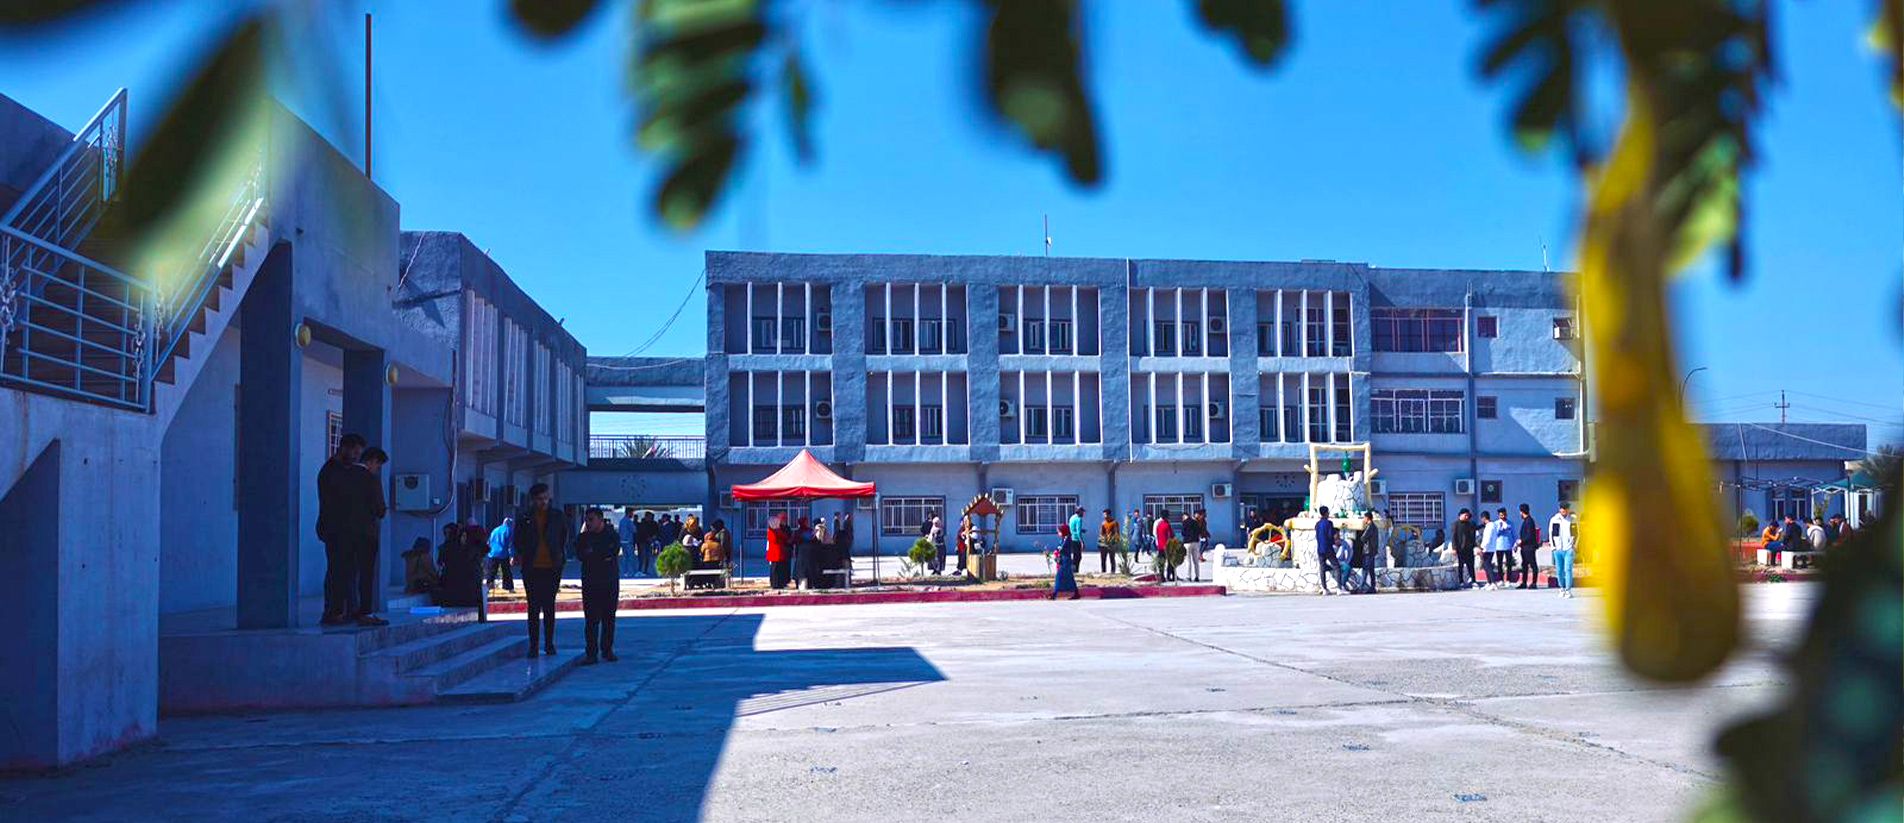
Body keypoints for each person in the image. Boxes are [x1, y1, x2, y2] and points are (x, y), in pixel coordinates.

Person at [509, 482, 570, 656]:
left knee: (549, 606)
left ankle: (549, 644)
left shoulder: (557, 516)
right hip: (532, 568)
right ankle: (533, 646)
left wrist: (559, 555)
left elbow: (563, 536)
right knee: (533, 607)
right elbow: (518, 540)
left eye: (545, 498)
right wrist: (523, 553)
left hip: (552, 567)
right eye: (539, 499)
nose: (543, 502)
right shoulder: (525, 517)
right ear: (533, 500)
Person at [315, 433, 368, 625]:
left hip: (350, 530)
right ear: (343, 448)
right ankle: (333, 611)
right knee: (337, 570)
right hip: (335, 529)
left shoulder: (348, 470)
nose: (356, 457)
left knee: (350, 571)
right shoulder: (331, 472)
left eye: (358, 454)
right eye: (354, 452)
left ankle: (350, 610)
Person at [572, 508, 620, 664]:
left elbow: (611, 552)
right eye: (586, 520)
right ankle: (591, 653)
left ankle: (607, 650)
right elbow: (581, 555)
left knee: (609, 618)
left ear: (600, 519)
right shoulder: (583, 538)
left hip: (609, 582)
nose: (588, 523)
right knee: (591, 619)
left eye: (591, 519)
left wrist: (593, 553)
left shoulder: (611, 535)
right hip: (590, 582)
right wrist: (596, 554)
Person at [351, 447, 391, 625]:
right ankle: (365, 611)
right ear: (372, 461)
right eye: (378, 465)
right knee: (366, 574)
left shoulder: (347, 476)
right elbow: (380, 509)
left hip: (345, 532)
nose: (377, 469)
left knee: (346, 572)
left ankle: (344, 609)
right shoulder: (370, 479)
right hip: (366, 532)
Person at [1549, 502, 1578, 598]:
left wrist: (1574, 546)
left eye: (1565, 509)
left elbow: (1577, 533)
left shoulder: (1572, 519)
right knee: (1559, 570)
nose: (1564, 510)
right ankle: (1561, 588)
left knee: (1568, 569)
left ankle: (1568, 590)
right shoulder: (1554, 519)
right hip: (1558, 549)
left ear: (1568, 509)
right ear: (1559, 509)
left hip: (1568, 548)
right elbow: (1551, 534)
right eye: (1562, 508)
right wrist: (1553, 547)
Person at [1048, 526, 1081, 601]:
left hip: (1065, 561)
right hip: (1063, 560)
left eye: (1059, 532)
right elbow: (1059, 547)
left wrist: (1057, 551)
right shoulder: (1063, 539)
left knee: (1059, 577)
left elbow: (1062, 549)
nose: (1058, 533)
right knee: (1070, 578)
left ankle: (1055, 593)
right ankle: (1076, 593)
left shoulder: (1067, 539)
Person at [1485, 508, 1514, 589]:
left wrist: (1514, 544)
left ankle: (1508, 580)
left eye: (1504, 515)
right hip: (1499, 546)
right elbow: (1494, 534)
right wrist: (1500, 528)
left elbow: (1514, 534)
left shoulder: (1510, 523)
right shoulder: (1496, 524)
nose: (1503, 516)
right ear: (1498, 515)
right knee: (1499, 564)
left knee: (1509, 564)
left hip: (1508, 546)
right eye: (1501, 515)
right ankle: (1501, 579)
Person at [1351, 511, 1379, 593]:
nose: (1363, 519)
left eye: (1364, 518)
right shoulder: (1374, 527)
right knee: (1371, 570)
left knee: (1365, 569)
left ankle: (1361, 587)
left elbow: (1363, 538)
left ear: (1367, 518)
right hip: (1372, 551)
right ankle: (1372, 587)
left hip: (1368, 551)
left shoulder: (1370, 527)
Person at [1314, 506, 1339, 595]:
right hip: (1328, 548)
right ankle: (1339, 588)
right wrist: (1334, 543)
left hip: (1320, 548)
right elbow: (1330, 535)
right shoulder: (1329, 523)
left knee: (1322, 567)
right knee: (1337, 566)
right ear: (1326, 513)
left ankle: (1324, 588)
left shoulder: (1317, 524)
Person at [1451, 508, 1479, 589]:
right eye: (1465, 515)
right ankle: (1461, 582)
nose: (1467, 517)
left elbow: (1474, 533)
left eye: (1468, 516)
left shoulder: (1470, 524)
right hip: (1460, 549)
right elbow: (1454, 537)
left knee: (1471, 565)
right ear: (1460, 515)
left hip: (1469, 548)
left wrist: (1475, 546)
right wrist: (1454, 548)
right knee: (1461, 566)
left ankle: (1473, 581)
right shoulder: (1455, 524)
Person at [1516, 503, 1541, 590]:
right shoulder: (1526, 521)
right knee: (1524, 565)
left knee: (1533, 565)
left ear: (1522, 512)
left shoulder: (1529, 521)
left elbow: (1529, 535)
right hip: (1524, 547)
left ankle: (1534, 583)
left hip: (1529, 547)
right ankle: (1524, 582)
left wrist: (1521, 541)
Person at [487, 517, 515, 592]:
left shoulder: (495, 530)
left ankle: (488, 587)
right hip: (503, 554)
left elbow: (489, 542)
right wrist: (512, 556)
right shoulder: (509, 530)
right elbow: (510, 544)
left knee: (492, 571)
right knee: (506, 571)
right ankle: (509, 587)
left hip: (492, 553)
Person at [767, 514, 793, 589]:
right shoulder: (773, 530)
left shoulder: (777, 530)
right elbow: (776, 539)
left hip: (779, 552)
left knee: (780, 569)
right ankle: (775, 584)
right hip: (776, 552)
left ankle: (780, 583)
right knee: (775, 569)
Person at [1179, 509, 1204, 583]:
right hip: (1196, 542)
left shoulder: (1185, 522)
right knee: (1196, 561)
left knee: (1188, 560)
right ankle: (1197, 576)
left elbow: (1183, 533)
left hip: (1187, 543)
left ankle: (1189, 577)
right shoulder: (1195, 522)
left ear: (1184, 516)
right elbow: (1199, 531)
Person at [1153, 511, 1177, 581]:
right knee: (1170, 562)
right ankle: (1169, 576)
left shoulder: (1159, 525)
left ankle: (1162, 576)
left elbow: (1156, 534)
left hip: (1160, 546)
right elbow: (1171, 535)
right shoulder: (1167, 524)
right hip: (1167, 546)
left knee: (1161, 562)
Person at [618, 507, 640, 578]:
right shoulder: (628, 521)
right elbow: (634, 530)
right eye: (632, 513)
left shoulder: (621, 521)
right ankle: (632, 572)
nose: (633, 515)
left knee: (624, 557)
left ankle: (625, 572)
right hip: (628, 541)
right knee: (631, 557)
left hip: (622, 541)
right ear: (629, 513)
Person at [635, 511, 660, 575]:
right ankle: (640, 570)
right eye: (649, 517)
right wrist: (647, 538)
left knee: (648, 556)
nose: (650, 518)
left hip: (650, 542)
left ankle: (645, 570)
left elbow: (657, 531)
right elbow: (640, 533)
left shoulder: (654, 524)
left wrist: (654, 537)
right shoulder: (642, 524)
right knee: (642, 556)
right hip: (642, 541)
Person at [1098, 509, 1120, 573]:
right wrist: (1101, 541)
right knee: (1103, 559)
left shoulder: (1114, 523)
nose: (1104, 516)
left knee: (1112, 558)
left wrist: (1116, 542)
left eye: (1105, 514)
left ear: (1109, 515)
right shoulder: (1103, 523)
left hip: (1111, 544)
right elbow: (1101, 533)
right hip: (1104, 544)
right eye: (1103, 515)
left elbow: (1117, 533)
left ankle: (1113, 572)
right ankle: (1103, 572)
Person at [1067, 507, 1087, 572]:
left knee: (1075, 556)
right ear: (1080, 512)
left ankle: (1073, 570)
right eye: (1083, 512)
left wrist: (1081, 530)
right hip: (1076, 540)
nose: (1083, 514)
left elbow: (1072, 528)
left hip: (1072, 539)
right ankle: (1075, 570)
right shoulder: (1079, 519)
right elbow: (1078, 532)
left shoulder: (1072, 517)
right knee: (1078, 557)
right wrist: (1082, 542)